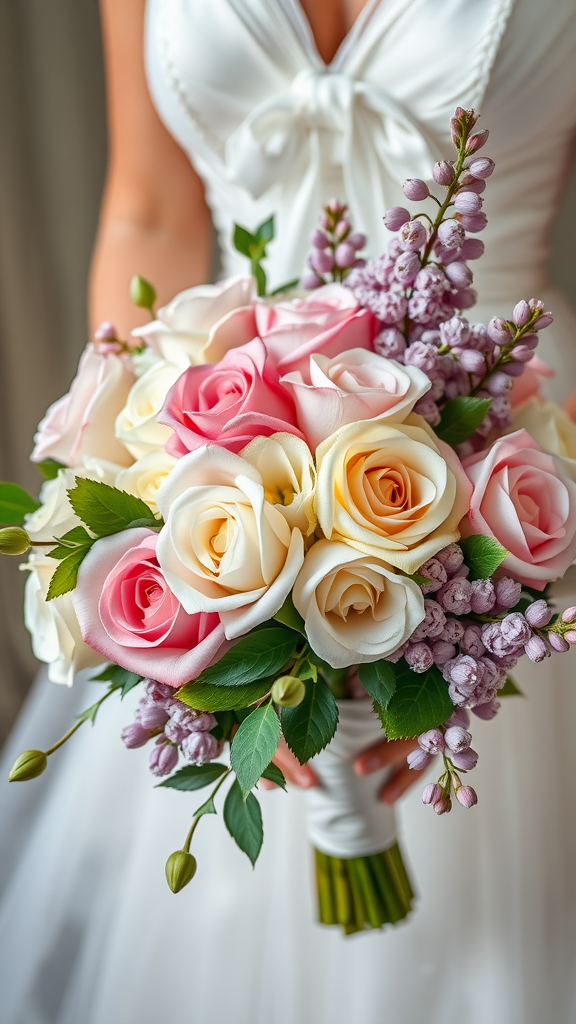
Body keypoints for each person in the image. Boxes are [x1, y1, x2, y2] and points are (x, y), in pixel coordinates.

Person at [1, 1, 576, 1022]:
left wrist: (494, 585)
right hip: (225, 452)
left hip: (516, 444)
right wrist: (136, 494)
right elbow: (151, 213)